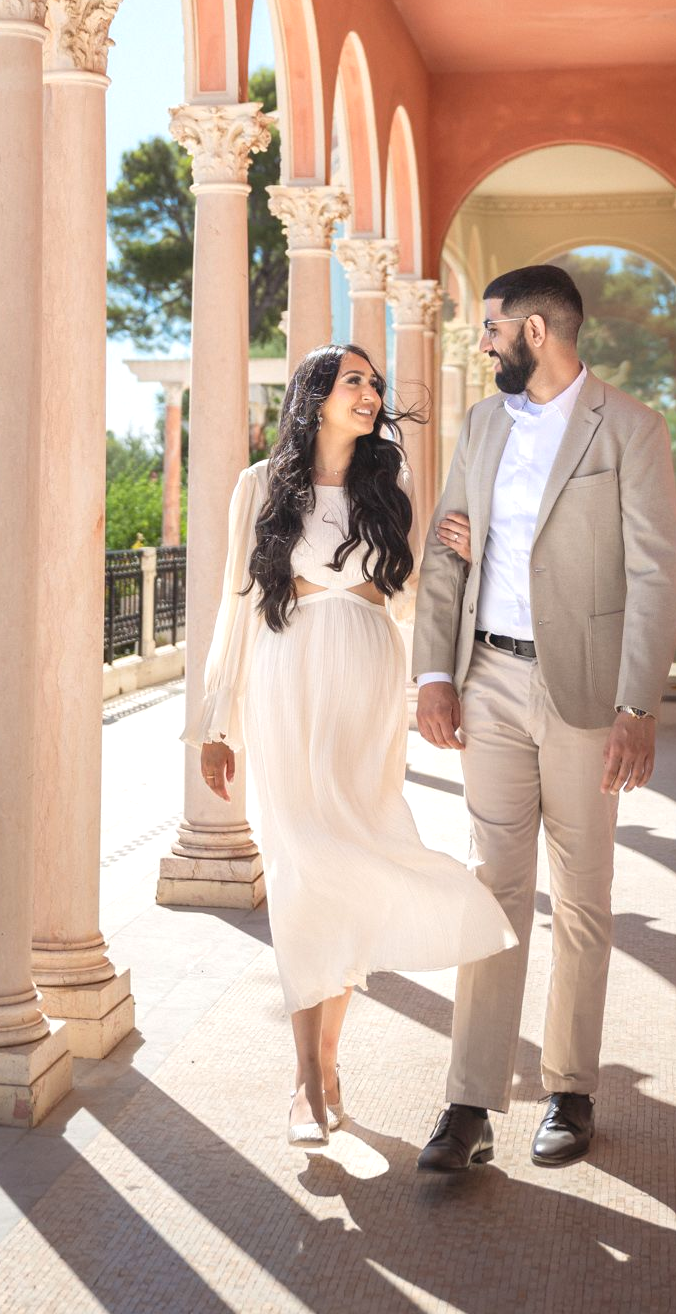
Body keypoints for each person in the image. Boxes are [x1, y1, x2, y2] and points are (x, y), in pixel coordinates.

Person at [189, 342, 515, 1148]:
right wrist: (213, 722)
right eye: (352, 382)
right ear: (314, 396)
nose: (369, 394)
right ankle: (306, 1081)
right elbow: (233, 604)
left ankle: (328, 1065)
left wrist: (463, 562)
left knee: (352, 860)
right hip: (283, 679)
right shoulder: (258, 488)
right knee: (301, 866)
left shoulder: (390, 483)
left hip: (366, 683)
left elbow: (406, 599)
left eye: (373, 383)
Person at [413, 264, 676, 1174]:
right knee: (491, 885)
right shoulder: (483, 423)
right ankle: (468, 1102)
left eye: (490, 328)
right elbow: (446, 549)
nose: (480, 342)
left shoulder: (631, 429)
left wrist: (635, 707)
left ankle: (570, 1089)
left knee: (581, 896)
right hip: (485, 676)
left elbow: (655, 574)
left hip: (582, 691)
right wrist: (431, 674)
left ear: (534, 331)